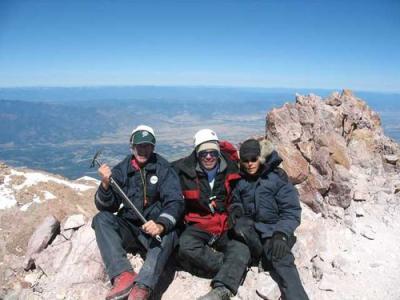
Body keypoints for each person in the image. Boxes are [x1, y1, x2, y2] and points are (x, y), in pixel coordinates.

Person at [92, 125, 184, 300]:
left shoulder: (164, 168)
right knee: (101, 219)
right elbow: (106, 207)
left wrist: (160, 225)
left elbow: (175, 202)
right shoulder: (121, 170)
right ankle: (123, 275)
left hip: (154, 232)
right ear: (131, 147)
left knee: (170, 234)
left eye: (147, 146)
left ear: (153, 147)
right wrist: (105, 185)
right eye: (139, 146)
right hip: (131, 228)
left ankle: (142, 287)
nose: (143, 150)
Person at [173, 129, 251, 300]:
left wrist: (236, 212)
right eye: (203, 153)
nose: (208, 157)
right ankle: (233, 267)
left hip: (224, 224)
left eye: (212, 153)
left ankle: (221, 290)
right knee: (185, 245)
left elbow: (242, 191)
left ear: (218, 153)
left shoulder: (231, 168)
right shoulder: (183, 171)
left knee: (242, 246)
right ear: (197, 154)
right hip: (199, 224)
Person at [229, 138, 309, 300]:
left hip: (272, 231)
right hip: (251, 231)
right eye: (246, 160)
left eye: (254, 159)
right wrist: (236, 210)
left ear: (261, 158)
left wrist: (282, 234)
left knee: (282, 258)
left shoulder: (277, 178)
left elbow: (291, 211)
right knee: (239, 229)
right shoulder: (241, 181)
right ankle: (260, 259)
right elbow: (235, 201)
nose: (250, 164)